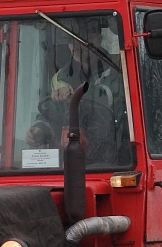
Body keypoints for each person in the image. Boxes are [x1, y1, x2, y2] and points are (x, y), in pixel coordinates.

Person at [25, 18, 125, 163]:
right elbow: (53, 112)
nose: (75, 46)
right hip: (72, 156)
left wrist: (76, 97)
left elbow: (113, 97)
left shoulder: (119, 69)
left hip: (116, 154)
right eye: (71, 40)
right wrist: (40, 129)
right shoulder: (60, 77)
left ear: (98, 39)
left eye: (81, 39)